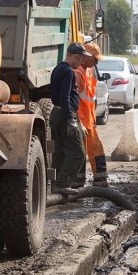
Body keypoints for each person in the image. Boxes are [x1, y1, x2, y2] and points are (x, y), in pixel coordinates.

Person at [49, 43, 87, 193]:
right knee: (78, 153)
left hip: (57, 114)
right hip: (65, 115)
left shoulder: (58, 69)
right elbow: (65, 97)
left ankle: (56, 184)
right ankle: (63, 183)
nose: (82, 63)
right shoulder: (68, 72)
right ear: (76, 56)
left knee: (61, 152)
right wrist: (71, 120)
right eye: (81, 59)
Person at [74, 41, 109, 186]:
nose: (96, 63)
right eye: (95, 59)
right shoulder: (78, 73)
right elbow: (74, 100)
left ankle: (100, 180)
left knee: (96, 148)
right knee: (79, 153)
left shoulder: (88, 71)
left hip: (89, 120)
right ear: (86, 56)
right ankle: (78, 181)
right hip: (80, 121)